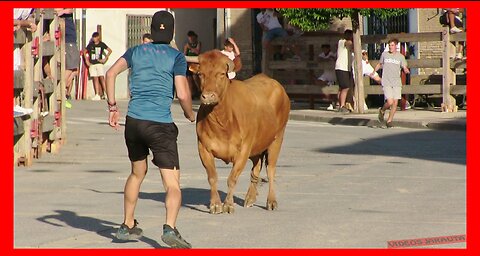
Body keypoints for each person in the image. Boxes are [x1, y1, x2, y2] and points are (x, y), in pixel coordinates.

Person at [105, 10, 194, 248]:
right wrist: (189, 113)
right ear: (172, 31)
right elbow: (183, 94)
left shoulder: (135, 51)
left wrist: (113, 107)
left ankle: (127, 224)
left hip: (134, 123)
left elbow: (110, 73)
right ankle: (170, 228)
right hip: (160, 125)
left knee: (137, 173)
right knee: (172, 183)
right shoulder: (176, 57)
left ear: (152, 29)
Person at [372, 38, 410, 128]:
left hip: (396, 82)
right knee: (390, 101)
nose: (390, 47)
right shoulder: (384, 55)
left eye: (392, 45)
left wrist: (405, 69)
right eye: (389, 45)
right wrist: (373, 71)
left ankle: (389, 121)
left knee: (395, 103)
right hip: (386, 81)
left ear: (396, 46)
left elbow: (404, 66)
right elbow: (380, 64)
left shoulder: (400, 56)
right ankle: (382, 110)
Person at [55, 8, 79, 109]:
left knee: (75, 70)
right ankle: (60, 92)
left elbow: (71, 9)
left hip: (72, 40)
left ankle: (63, 90)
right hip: (67, 40)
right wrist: (60, 12)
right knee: (69, 68)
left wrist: (63, 11)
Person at [85, 32, 112, 101]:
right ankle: (97, 94)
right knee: (95, 78)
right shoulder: (90, 45)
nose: (94, 39)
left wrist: (105, 58)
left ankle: (106, 94)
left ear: (98, 37)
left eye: (95, 37)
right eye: (93, 38)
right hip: (92, 63)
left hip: (99, 63)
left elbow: (109, 50)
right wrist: (87, 61)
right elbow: (84, 52)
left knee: (102, 77)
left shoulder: (101, 44)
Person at [334, 29, 354, 113]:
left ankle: (339, 104)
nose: (350, 37)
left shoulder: (350, 48)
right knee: (345, 87)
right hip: (341, 67)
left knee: (343, 87)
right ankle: (342, 105)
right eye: (349, 36)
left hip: (347, 68)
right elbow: (349, 43)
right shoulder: (342, 42)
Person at [183, 30, 201, 98]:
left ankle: (199, 90)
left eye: (191, 37)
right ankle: (191, 94)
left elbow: (197, 52)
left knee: (195, 77)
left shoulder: (198, 43)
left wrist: (190, 48)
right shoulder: (186, 45)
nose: (190, 39)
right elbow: (184, 54)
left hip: (195, 62)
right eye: (189, 38)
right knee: (189, 78)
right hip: (188, 63)